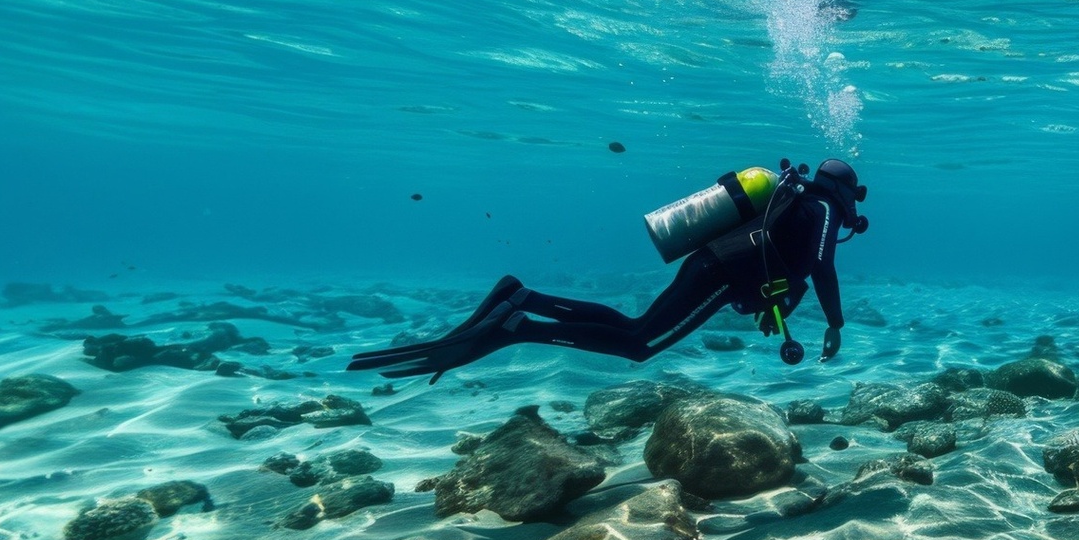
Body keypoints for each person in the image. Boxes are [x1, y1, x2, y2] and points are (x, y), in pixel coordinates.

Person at [348, 158, 867, 382]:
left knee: (632, 330)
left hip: (712, 265)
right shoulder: (820, 208)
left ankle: (524, 298)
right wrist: (835, 324)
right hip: (721, 273)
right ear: (844, 194)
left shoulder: (794, 203)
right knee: (641, 345)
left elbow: (787, 270)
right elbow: (820, 263)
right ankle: (518, 326)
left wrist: (775, 307)